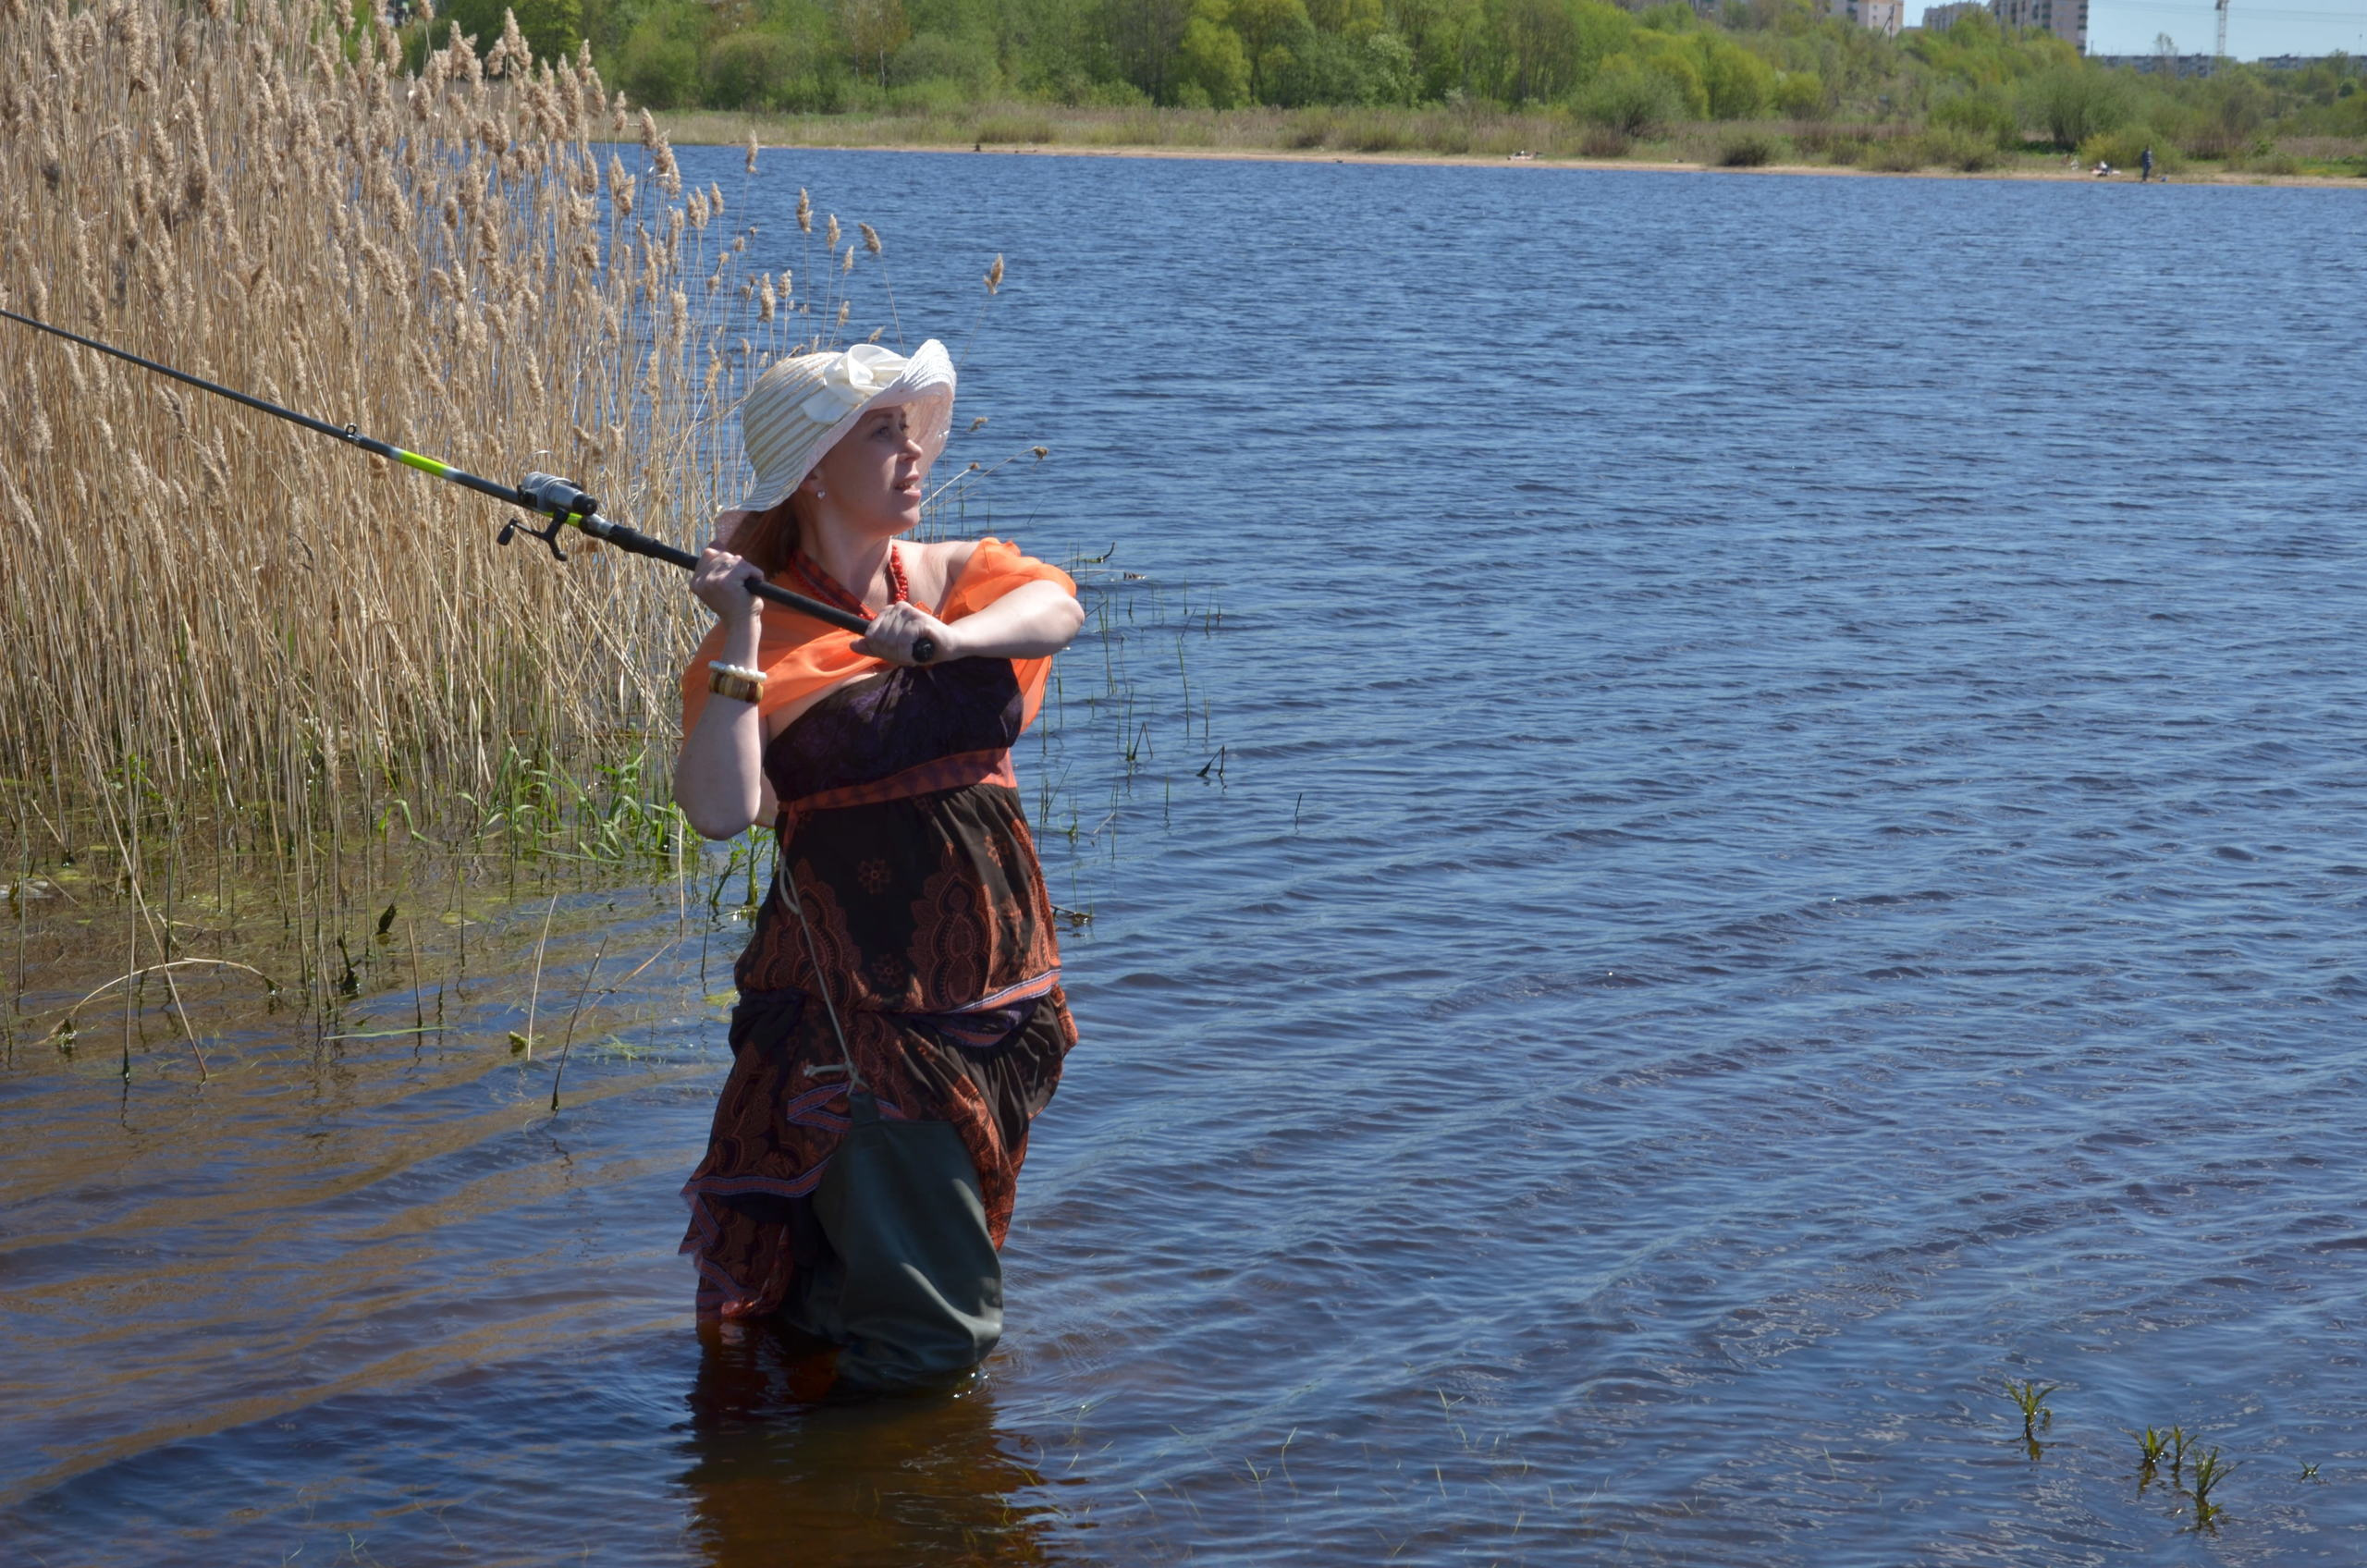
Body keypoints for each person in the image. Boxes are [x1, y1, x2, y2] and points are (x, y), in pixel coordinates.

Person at [672, 338, 1085, 1392]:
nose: (913, 455)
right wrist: (739, 632)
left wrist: (944, 642)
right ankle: (878, 1510)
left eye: (913, 431)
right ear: (812, 468)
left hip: (994, 996)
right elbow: (723, 810)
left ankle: (793, 1484)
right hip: (859, 1014)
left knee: (852, 1294)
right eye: (880, 433)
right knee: (937, 1336)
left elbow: (1058, 608)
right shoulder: (759, 646)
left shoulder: (947, 579)